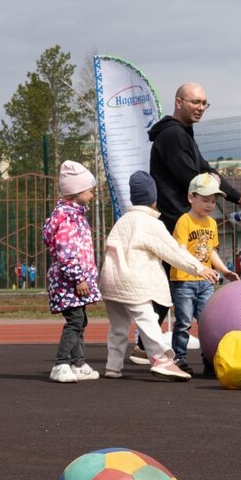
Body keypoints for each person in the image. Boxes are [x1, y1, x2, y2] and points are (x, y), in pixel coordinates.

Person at [131, 81, 241, 364]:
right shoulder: (173, 136)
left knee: (171, 284)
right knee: (172, 285)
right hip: (177, 221)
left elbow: (205, 171)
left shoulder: (184, 133)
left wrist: (239, 198)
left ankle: (146, 342)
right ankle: (154, 344)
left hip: (188, 218)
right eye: (195, 102)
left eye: (204, 103)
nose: (201, 107)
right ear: (179, 103)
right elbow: (194, 177)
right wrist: (211, 183)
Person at [98, 172, 218, 381]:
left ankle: (113, 366)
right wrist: (199, 268)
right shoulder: (151, 223)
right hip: (134, 282)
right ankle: (162, 360)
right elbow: (172, 251)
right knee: (148, 320)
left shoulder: (122, 221)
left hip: (111, 282)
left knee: (118, 327)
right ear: (154, 200)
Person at [169, 173, 240, 376]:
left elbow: (211, 252)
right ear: (192, 198)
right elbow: (180, 251)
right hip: (184, 281)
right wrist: (197, 268)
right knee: (183, 322)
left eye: (213, 201)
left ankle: (209, 358)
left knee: (207, 321)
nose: (210, 205)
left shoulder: (211, 224)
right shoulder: (184, 221)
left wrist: (224, 270)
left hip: (206, 281)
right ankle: (180, 359)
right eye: (205, 200)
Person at [42, 161, 102, 383]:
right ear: (76, 192)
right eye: (90, 191)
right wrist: (79, 278)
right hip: (69, 281)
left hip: (74, 280)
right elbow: (67, 252)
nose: (92, 195)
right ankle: (61, 363)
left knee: (80, 319)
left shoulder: (76, 216)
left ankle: (78, 363)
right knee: (75, 320)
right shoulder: (68, 218)